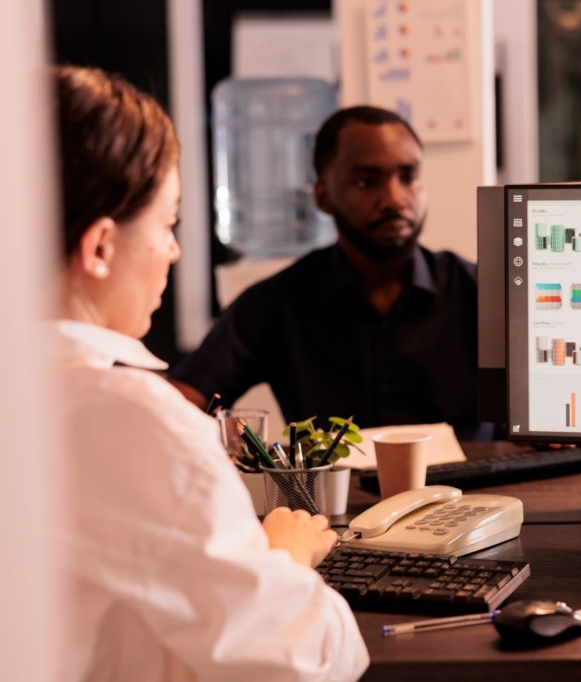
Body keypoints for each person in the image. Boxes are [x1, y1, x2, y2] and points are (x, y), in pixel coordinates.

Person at [51, 65, 369, 682]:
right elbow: (307, 660)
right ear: (100, 247)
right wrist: (285, 553)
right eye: (168, 224)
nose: (172, 250)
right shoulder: (132, 421)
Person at [169, 106, 489, 440]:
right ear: (323, 197)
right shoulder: (278, 303)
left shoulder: (480, 290)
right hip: (335, 494)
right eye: (367, 181)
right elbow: (180, 401)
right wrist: (210, 435)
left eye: (408, 178)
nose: (395, 200)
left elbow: (543, 397)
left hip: (478, 490)